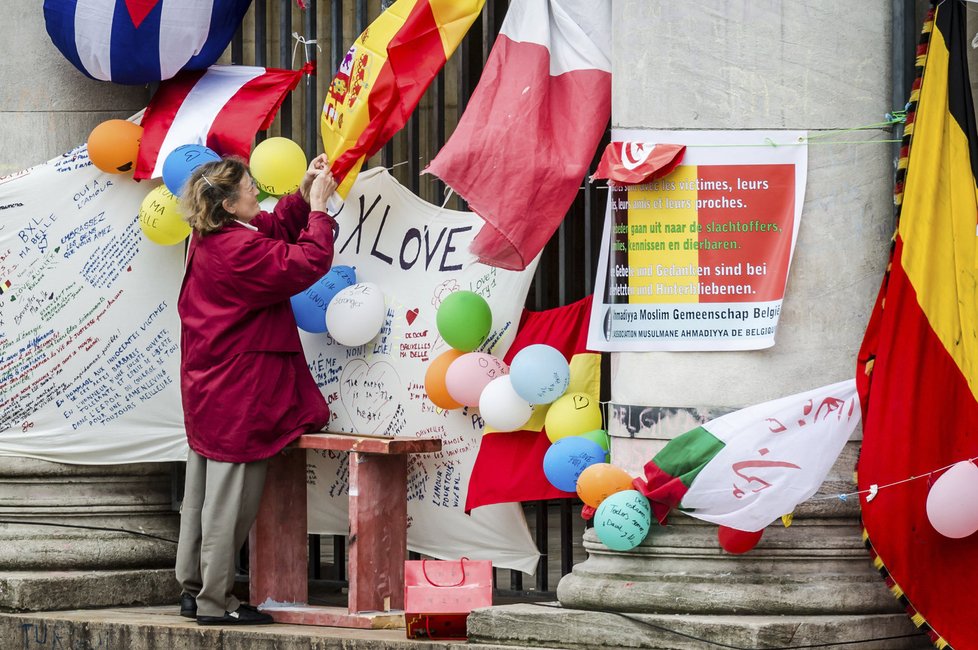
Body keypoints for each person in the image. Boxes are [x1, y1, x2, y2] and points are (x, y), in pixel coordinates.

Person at [174, 154, 339, 625]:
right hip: (237, 393)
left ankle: (193, 588)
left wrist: (305, 193)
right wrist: (322, 212)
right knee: (231, 501)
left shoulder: (212, 237)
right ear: (227, 203)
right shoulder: (235, 251)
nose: (256, 192)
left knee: (202, 495)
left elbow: (271, 227)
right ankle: (213, 603)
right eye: (249, 187)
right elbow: (305, 261)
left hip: (212, 387)